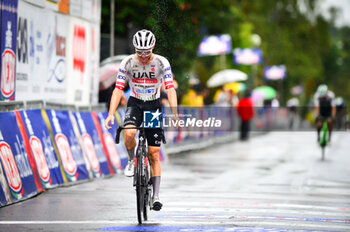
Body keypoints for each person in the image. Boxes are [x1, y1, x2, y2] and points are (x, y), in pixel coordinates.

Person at [104, 29, 178, 211]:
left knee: (153, 153)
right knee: (128, 132)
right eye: (139, 52)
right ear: (135, 49)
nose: (143, 57)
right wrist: (111, 113)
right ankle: (131, 160)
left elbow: (170, 89)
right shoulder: (127, 62)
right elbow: (118, 89)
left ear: (153, 48)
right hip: (135, 103)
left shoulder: (162, 62)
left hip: (153, 105)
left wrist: (174, 112)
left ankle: (156, 197)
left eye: (147, 53)